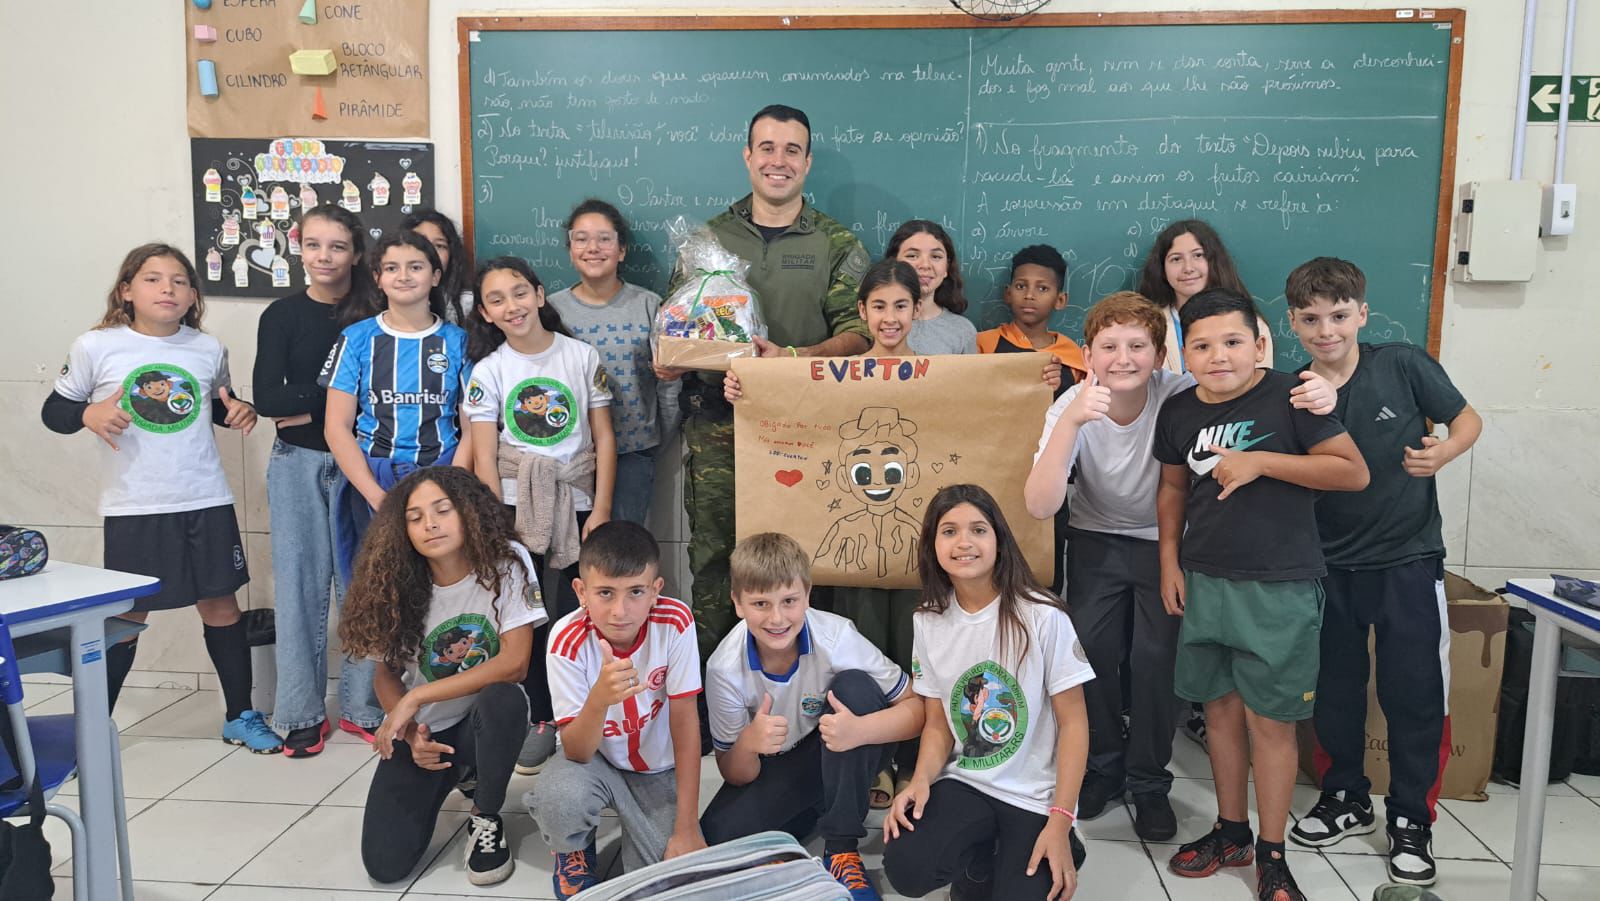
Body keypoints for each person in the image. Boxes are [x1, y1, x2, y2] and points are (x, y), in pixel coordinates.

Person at [1024, 292, 1339, 841]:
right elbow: (1038, 505)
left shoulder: (1181, 393)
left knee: (1156, 660)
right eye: (1109, 347)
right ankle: (1101, 767)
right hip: (1095, 539)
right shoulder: (1073, 403)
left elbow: (1253, 388)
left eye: (1138, 346)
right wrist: (1070, 423)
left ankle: (1148, 781)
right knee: (1089, 654)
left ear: (1161, 354)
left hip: (1165, 545)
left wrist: (1321, 387)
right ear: (1087, 354)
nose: (1123, 358)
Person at [1152, 289, 1370, 901]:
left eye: (1232, 341)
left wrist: (1262, 463)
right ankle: (1231, 831)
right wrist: (1169, 560)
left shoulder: (1292, 394)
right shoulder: (1178, 411)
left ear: (1259, 343)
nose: (1218, 356)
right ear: (1183, 353)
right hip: (1204, 580)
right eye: (1201, 345)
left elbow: (1351, 471)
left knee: (1270, 724)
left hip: (1278, 585)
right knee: (1217, 711)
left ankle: (1273, 853)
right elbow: (1171, 490)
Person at [1283, 258, 1481, 887]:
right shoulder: (1292, 390)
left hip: (1408, 560)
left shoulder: (1402, 363)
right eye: (1311, 319)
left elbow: (1467, 419)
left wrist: (1444, 451)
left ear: (1362, 315)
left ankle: (1411, 820)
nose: (1326, 330)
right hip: (1327, 564)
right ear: (1292, 323)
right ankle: (1345, 796)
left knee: (1414, 691)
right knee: (1336, 689)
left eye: (1339, 316)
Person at [41, 243, 280, 753]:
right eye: (152, 279)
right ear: (126, 291)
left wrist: (240, 412)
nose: (167, 288)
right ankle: (90, 736)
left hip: (205, 497)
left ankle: (240, 714)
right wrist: (87, 415)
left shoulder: (206, 348)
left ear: (193, 294)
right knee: (128, 614)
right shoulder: (96, 346)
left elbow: (215, 406)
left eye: (178, 280)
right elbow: (55, 412)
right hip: (135, 506)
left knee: (221, 605)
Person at [660, 103, 872, 660]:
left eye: (792, 150)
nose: (779, 161)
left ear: (807, 161)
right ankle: (712, 693)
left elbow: (860, 334)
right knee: (713, 560)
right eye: (768, 148)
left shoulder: (836, 243)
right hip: (716, 425)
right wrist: (672, 356)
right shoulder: (707, 240)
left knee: (809, 559)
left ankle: (808, 683)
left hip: (808, 426)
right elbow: (676, 326)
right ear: (748, 156)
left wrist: (792, 358)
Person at [882, 484, 1093, 901]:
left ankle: (1067, 843)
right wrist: (921, 780)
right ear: (933, 545)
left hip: (1035, 797)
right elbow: (939, 723)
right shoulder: (928, 621)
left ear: (998, 539)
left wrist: (1061, 819)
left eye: (978, 529)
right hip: (969, 783)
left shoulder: (1043, 616)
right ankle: (980, 861)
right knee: (906, 868)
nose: (964, 542)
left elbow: (1074, 724)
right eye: (949, 531)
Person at [340, 467, 545, 887]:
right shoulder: (394, 581)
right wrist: (412, 730)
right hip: (431, 730)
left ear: (467, 512)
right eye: (414, 517)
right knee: (384, 864)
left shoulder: (507, 561)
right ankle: (462, 772)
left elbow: (515, 662)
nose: (430, 524)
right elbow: (386, 673)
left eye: (442, 510)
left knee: (503, 698)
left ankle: (484, 815)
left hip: (485, 721)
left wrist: (415, 699)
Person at [702, 532, 924, 901]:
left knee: (856, 687)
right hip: (785, 764)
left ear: (807, 595)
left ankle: (840, 848)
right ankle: (817, 809)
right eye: (760, 603)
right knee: (716, 836)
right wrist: (749, 743)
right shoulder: (724, 668)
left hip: (847, 745)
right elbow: (734, 772)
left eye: (789, 601)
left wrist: (861, 730)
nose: (777, 618)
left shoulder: (836, 636)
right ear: (738, 604)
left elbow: (916, 706)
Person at [465, 254, 616, 775]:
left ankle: (579, 711)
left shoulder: (580, 355)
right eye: (496, 300)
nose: (512, 306)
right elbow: (485, 456)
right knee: (527, 614)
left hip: (573, 501)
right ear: (485, 313)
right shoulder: (489, 371)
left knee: (574, 611)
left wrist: (600, 508)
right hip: (513, 505)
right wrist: (495, 524)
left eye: (519, 293)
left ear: (539, 293)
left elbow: (603, 438)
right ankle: (536, 716)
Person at [254, 204, 383, 756]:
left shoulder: (375, 314)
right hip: (298, 463)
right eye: (313, 245)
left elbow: (377, 398)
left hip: (363, 463)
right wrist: (331, 405)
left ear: (356, 252)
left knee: (367, 586)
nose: (324, 257)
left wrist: (316, 406)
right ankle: (301, 712)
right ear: (298, 247)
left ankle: (362, 705)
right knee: (301, 589)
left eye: (336, 246)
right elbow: (268, 399)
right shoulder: (281, 316)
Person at [525, 521, 706, 899]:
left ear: (656, 591)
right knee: (559, 795)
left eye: (635, 592)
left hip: (656, 768)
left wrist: (688, 826)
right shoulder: (566, 638)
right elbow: (575, 750)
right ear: (581, 592)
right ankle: (573, 848)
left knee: (664, 883)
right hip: (595, 761)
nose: (620, 610)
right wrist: (599, 700)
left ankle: (655, 834)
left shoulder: (675, 622)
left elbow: (686, 721)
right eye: (605, 593)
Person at [321, 231, 473, 585]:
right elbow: (336, 427)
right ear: (378, 278)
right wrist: (376, 495)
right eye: (392, 267)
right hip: (373, 475)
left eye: (415, 266)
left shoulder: (459, 341)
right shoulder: (356, 339)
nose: (403, 276)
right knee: (380, 587)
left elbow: (472, 428)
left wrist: (451, 487)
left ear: (435, 276)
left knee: (443, 583)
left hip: (443, 470)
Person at [548, 198, 680, 526]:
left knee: (620, 551)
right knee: (572, 555)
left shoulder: (650, 306)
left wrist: (658, 439)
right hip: (567, 455)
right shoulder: (551, 311)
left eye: (605, 238)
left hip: (631, 454)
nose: (593, 248)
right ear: (570, 250)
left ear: (621, 250)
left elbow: (667, 382)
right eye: (581, 239)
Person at [977, 243, 1082, 596]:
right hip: (993, 474)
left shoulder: (1074, 360)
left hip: (1051, 483)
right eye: (1021, 286)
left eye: (1043, 288)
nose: (1030, 295)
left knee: (1045, 577)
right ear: (1008, 293)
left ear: (1060, 299)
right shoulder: (983, 346)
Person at [1137, 219, 1274, 375]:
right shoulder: (1146, 326)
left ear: (1214, 262)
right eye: (1176, 259)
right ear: (1162, 269)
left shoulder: (1253, 324)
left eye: (1198, 255)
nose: (1188, 268)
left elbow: (1260, 388)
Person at [889, 219, 977, 355]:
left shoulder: (963, 331)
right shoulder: (877, 324)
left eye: (936, 257)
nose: (925, 265)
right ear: (893, 263)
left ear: (947, 267)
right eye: (912, 256)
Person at [401, 209, 472, 324]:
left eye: (439, 246)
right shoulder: (391, 294)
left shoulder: (467, 304)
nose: (430, 252)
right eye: (420, 243)